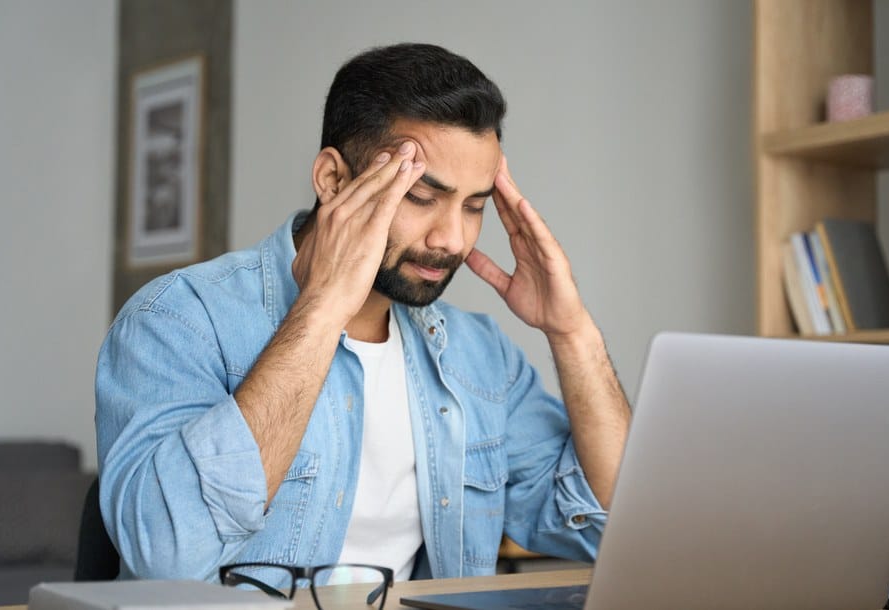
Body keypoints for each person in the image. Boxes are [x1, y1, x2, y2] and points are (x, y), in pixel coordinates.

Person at [95, 43, 631, 586]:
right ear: (332, 180)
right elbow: (165, 556)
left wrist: (572, 333)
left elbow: (613, 530)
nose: (452, 239)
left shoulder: (480, 357)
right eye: (421, 196)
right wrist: (324, 309)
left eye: (474, 206)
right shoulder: (179, 320)